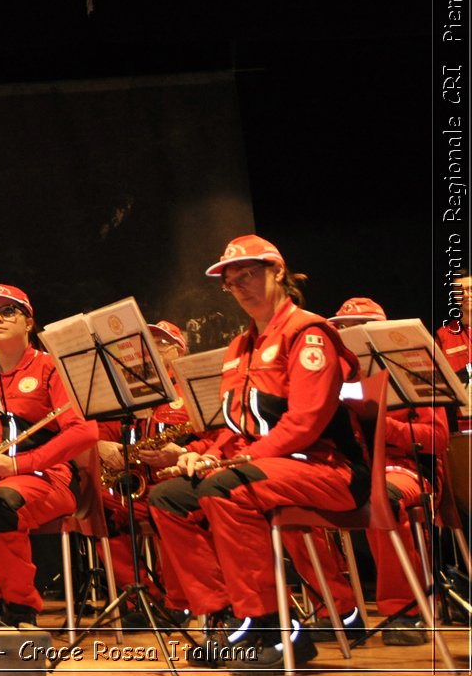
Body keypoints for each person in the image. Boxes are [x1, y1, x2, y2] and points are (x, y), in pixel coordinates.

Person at [147, 235, 366, 672]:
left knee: (227, 490)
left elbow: (304, 424)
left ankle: (276, 626)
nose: (239, 286)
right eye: (231, 281)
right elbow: (237, 429)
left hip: (328, 469)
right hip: (270, 467)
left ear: (278, 272)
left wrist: (235, 462)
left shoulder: (309, 332)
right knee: (167, 497)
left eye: (248, 274)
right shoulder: (239, 348)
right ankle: (228, 615)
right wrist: (207, 454)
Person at [0, 283, 97, 628]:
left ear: (29, 322)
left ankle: (19, 610)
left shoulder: (49, 368)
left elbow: (84, 431)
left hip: (45, 476)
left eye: (8, 310)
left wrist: (18, 464)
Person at [328, 296, 447, 645]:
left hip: (408, 470)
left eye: (357, 329)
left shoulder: (415, 369)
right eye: (343, 331)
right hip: (356, 470)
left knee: (381, 496)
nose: (348, 337)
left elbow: (437, 439)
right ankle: (336, 609)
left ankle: (406, 611)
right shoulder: (333, 379)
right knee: (281, 495)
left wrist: (383, 424)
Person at [98, 320, 196, 620]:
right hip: (136, 487)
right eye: (148, 343)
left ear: (179, 352)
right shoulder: (131, 394)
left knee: (165, 502)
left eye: (160, 344)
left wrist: (182, 453)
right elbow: (99, 430)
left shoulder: (189, 390)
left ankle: (179, 602)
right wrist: (100, 444)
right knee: (96, 505)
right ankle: (142, 598)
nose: (151, 350)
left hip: (181, 485)